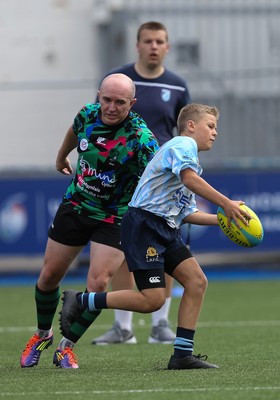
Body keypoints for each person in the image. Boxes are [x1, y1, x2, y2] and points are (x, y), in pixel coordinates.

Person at [61, 103, 251, 370]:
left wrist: (227, 220)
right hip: (145, 225)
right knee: (153, 300)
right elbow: (189, 180)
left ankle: (182, 355)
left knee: (197, 282)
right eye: (211, 126)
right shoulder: (182, 146)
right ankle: (82, 300)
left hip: (165, 228)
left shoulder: (190, 160)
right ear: (191, 126)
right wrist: (226, 203)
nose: (215, 133)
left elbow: (187, 213)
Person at [20, 73, 159, 369]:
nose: (110, 107)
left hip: (115, 216)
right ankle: (42, 335)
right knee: (48, 278)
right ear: (99, 95)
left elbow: (157, 180)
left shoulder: (142, 139)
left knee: (97, 284)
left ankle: (66, 347)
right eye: (106, 99)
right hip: (76, 204)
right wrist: (61, 157)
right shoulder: (88, 114)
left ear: (131, 103)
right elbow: (74, 130)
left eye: (119, 102)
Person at [91, 21, 191, 345]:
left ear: (167, 46)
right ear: (137, 45)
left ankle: (161, 324)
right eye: (148, 40)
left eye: (160, 41)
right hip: (123, 180)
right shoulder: (120, 81)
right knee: (123, 248)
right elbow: (99, 121)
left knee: (163, 246)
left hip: (162, 185)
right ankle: (123, 328)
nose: (153, 46)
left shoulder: (177, 86)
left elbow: (184, 135)